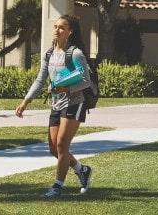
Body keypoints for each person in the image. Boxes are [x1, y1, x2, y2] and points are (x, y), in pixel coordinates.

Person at [16, 15, 97, 198]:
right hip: (56, 104)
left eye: (62, 27)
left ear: (70, 31)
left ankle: (57, 187)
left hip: (74, 103)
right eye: (55, 27)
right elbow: (40, 79)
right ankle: (82, 170)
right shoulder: (49, 54)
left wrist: (66, 88)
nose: (57, 30)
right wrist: (25, 101)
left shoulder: (75, 53)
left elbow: (86, 81)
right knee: (54, 149)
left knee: (61, 145)